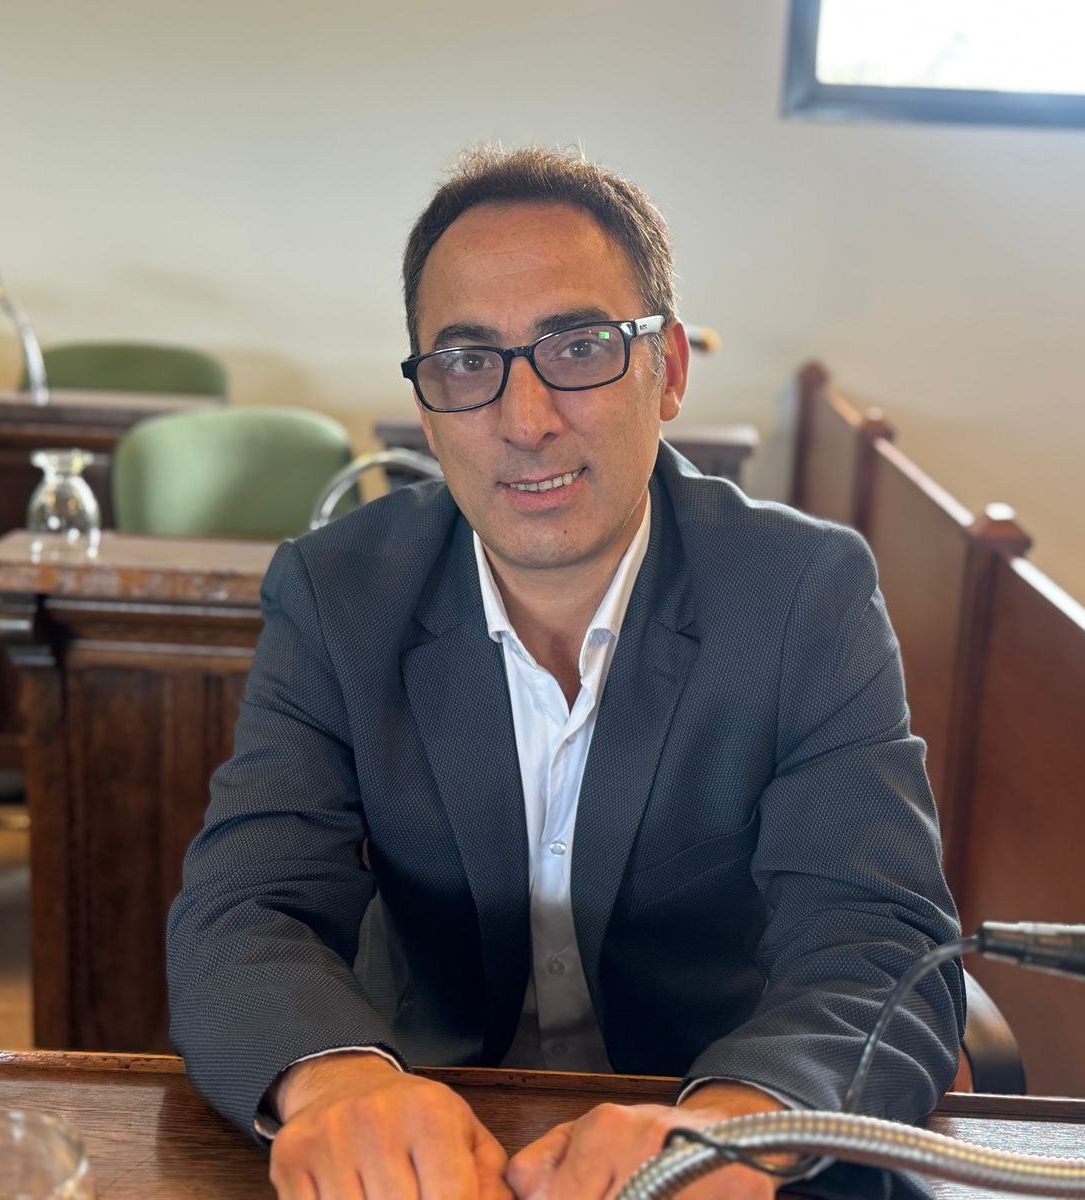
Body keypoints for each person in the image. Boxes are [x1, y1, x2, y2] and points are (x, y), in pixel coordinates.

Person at [167, 146, 964, 1200]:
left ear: (667, 370)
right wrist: (336, 1083)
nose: (526, 419)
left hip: (700, 1129)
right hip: (433, 1133)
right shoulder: (337, 595)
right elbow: (244, 907)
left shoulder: (800, 594)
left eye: (579, 347)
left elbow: (878, 940)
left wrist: (735, 1127)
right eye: (467, 362)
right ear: (426, 402)